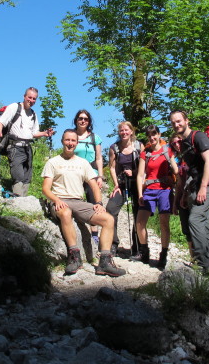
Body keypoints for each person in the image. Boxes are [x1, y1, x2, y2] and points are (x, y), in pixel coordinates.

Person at [42, 129, 126, 277]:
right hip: (60, 200)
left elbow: (93, 185)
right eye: (67, 140)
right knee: (66, 213)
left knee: (108, 219)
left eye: (73, 141)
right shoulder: (53, 162)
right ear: (62, 141)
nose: (70, 143)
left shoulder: (83, 163)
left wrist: (99, 203)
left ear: (77, 143)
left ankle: (104, 262)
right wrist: (56, 200)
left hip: (79, 202)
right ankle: (74, 257)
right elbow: (45, 189)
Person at [169, 110, 209, 276]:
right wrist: (186, 194)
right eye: (173, 123)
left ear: (187, 121)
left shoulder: (198, 137)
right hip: (195, 186)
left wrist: (203, 187)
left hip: (207, 184)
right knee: (205, 225)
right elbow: (191, 171)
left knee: (194, 220)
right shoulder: (184, 142)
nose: (176, 125)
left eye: (179, 121)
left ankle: (202, 265)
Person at [0, 87, 55, 197]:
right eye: (29, 97)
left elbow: (34, 133)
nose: (31, 100)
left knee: (27, 177)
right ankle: (18, 202)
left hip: (27, 148)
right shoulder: (14, 107)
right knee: (18, 176)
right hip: (14, 147)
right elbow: (1, 121)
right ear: (24, 96)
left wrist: (45, 133)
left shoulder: (33, 114)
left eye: (34, 99)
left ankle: (24, 201)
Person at [134, 125, 178, 268]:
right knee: (140, 223)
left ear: (159, 134)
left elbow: (176, 169)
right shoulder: (145, 153)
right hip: (149, 190)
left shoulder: (167, 150)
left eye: (154, 134)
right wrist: (140, 194)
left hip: (164, 189)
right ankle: (144, 251)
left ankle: (163, 254)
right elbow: (140, 175)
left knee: (164, 223)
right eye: (149, 135)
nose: (152, 138)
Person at [106, 121, 141, 257]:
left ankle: (138, 246)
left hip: (137, 183)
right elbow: (112, 167)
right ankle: (113, 243)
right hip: (121, 184)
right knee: (110, 209)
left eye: (127, 130)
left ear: (131, 131)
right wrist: (115, 185)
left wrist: (135, 171)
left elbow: (145, 165)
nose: (124, 133)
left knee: (139, 213)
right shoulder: (114, 148)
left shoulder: (139, 146)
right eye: (121, 130)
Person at [72, 110, 104, 245]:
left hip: (92, 173)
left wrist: (100, 176)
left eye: (86, 119)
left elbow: (98, 157)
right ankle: (77, 229)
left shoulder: (94, 138)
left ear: (89, 121)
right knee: (75, 200)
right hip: (75, 173)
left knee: (93, 202)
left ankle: (94, 233)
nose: (83, 121)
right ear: (76, 120)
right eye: (80, 118)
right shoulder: (72, 135)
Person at [170, 134, 194, 264]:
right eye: (174, 144)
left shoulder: (192, 156)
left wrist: (184, 197)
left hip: (193, 196)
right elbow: (179, 182)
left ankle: (202, 258)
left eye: (179, 142)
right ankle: (193, 259)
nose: (177, 145)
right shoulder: (179, 159)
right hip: (182, 198)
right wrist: (175, 203)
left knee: (195, 226)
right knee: (186, 229)